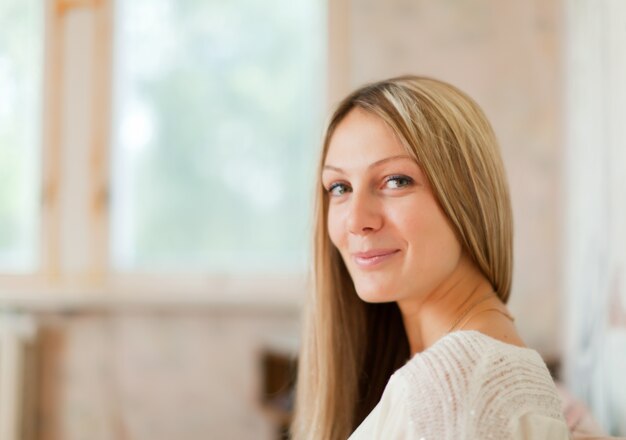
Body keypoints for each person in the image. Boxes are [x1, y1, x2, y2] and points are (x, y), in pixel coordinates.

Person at [291, 76, 570, 439]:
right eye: (340, 188)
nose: (357, 221)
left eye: (395, 181)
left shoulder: (449, 387)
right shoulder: (467, 371)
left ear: (468, 197)